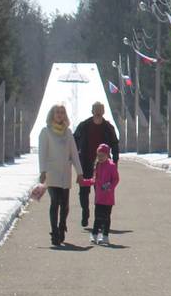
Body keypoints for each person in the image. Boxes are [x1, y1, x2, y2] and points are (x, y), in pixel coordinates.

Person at [37, 103, 83, 247]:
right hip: (52, 173)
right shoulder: (46, 132)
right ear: (52, 114)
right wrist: (42, 171)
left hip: (65, 173)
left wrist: (79, 173)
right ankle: (54, 232)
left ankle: (62, 226)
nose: (60, 115)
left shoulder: (68, 132)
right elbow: (42, 153)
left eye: (62, 112)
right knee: (54, 202)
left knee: (65, 205)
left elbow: (74, 154)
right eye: (57, 112)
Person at [72, 101, 120, 229]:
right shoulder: (84, 126)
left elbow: (115, 144)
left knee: (102, 193)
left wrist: (115, 162)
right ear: (92, 111)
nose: (98, 112)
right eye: (96, 109)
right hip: (85, 162)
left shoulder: (108, 127)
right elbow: (73, 140)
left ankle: (99, 219)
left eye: (100, 110)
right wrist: (74, 155)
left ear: (103, 112)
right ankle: (85, 212)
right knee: (83, 190)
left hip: (102, 166)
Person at [81, 144, 120, 246]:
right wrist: (84, 182)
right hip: (99, 198)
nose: (100, 157)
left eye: (102, 155)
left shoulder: (111, 166)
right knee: (97, 217)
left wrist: (110, 187)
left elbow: (116, 179)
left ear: (107, 155)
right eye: (98, 155)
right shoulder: (97, 166)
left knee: (106, 218)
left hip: (108, 198)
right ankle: (94, 235)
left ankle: (105, 236)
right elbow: (94, 180)